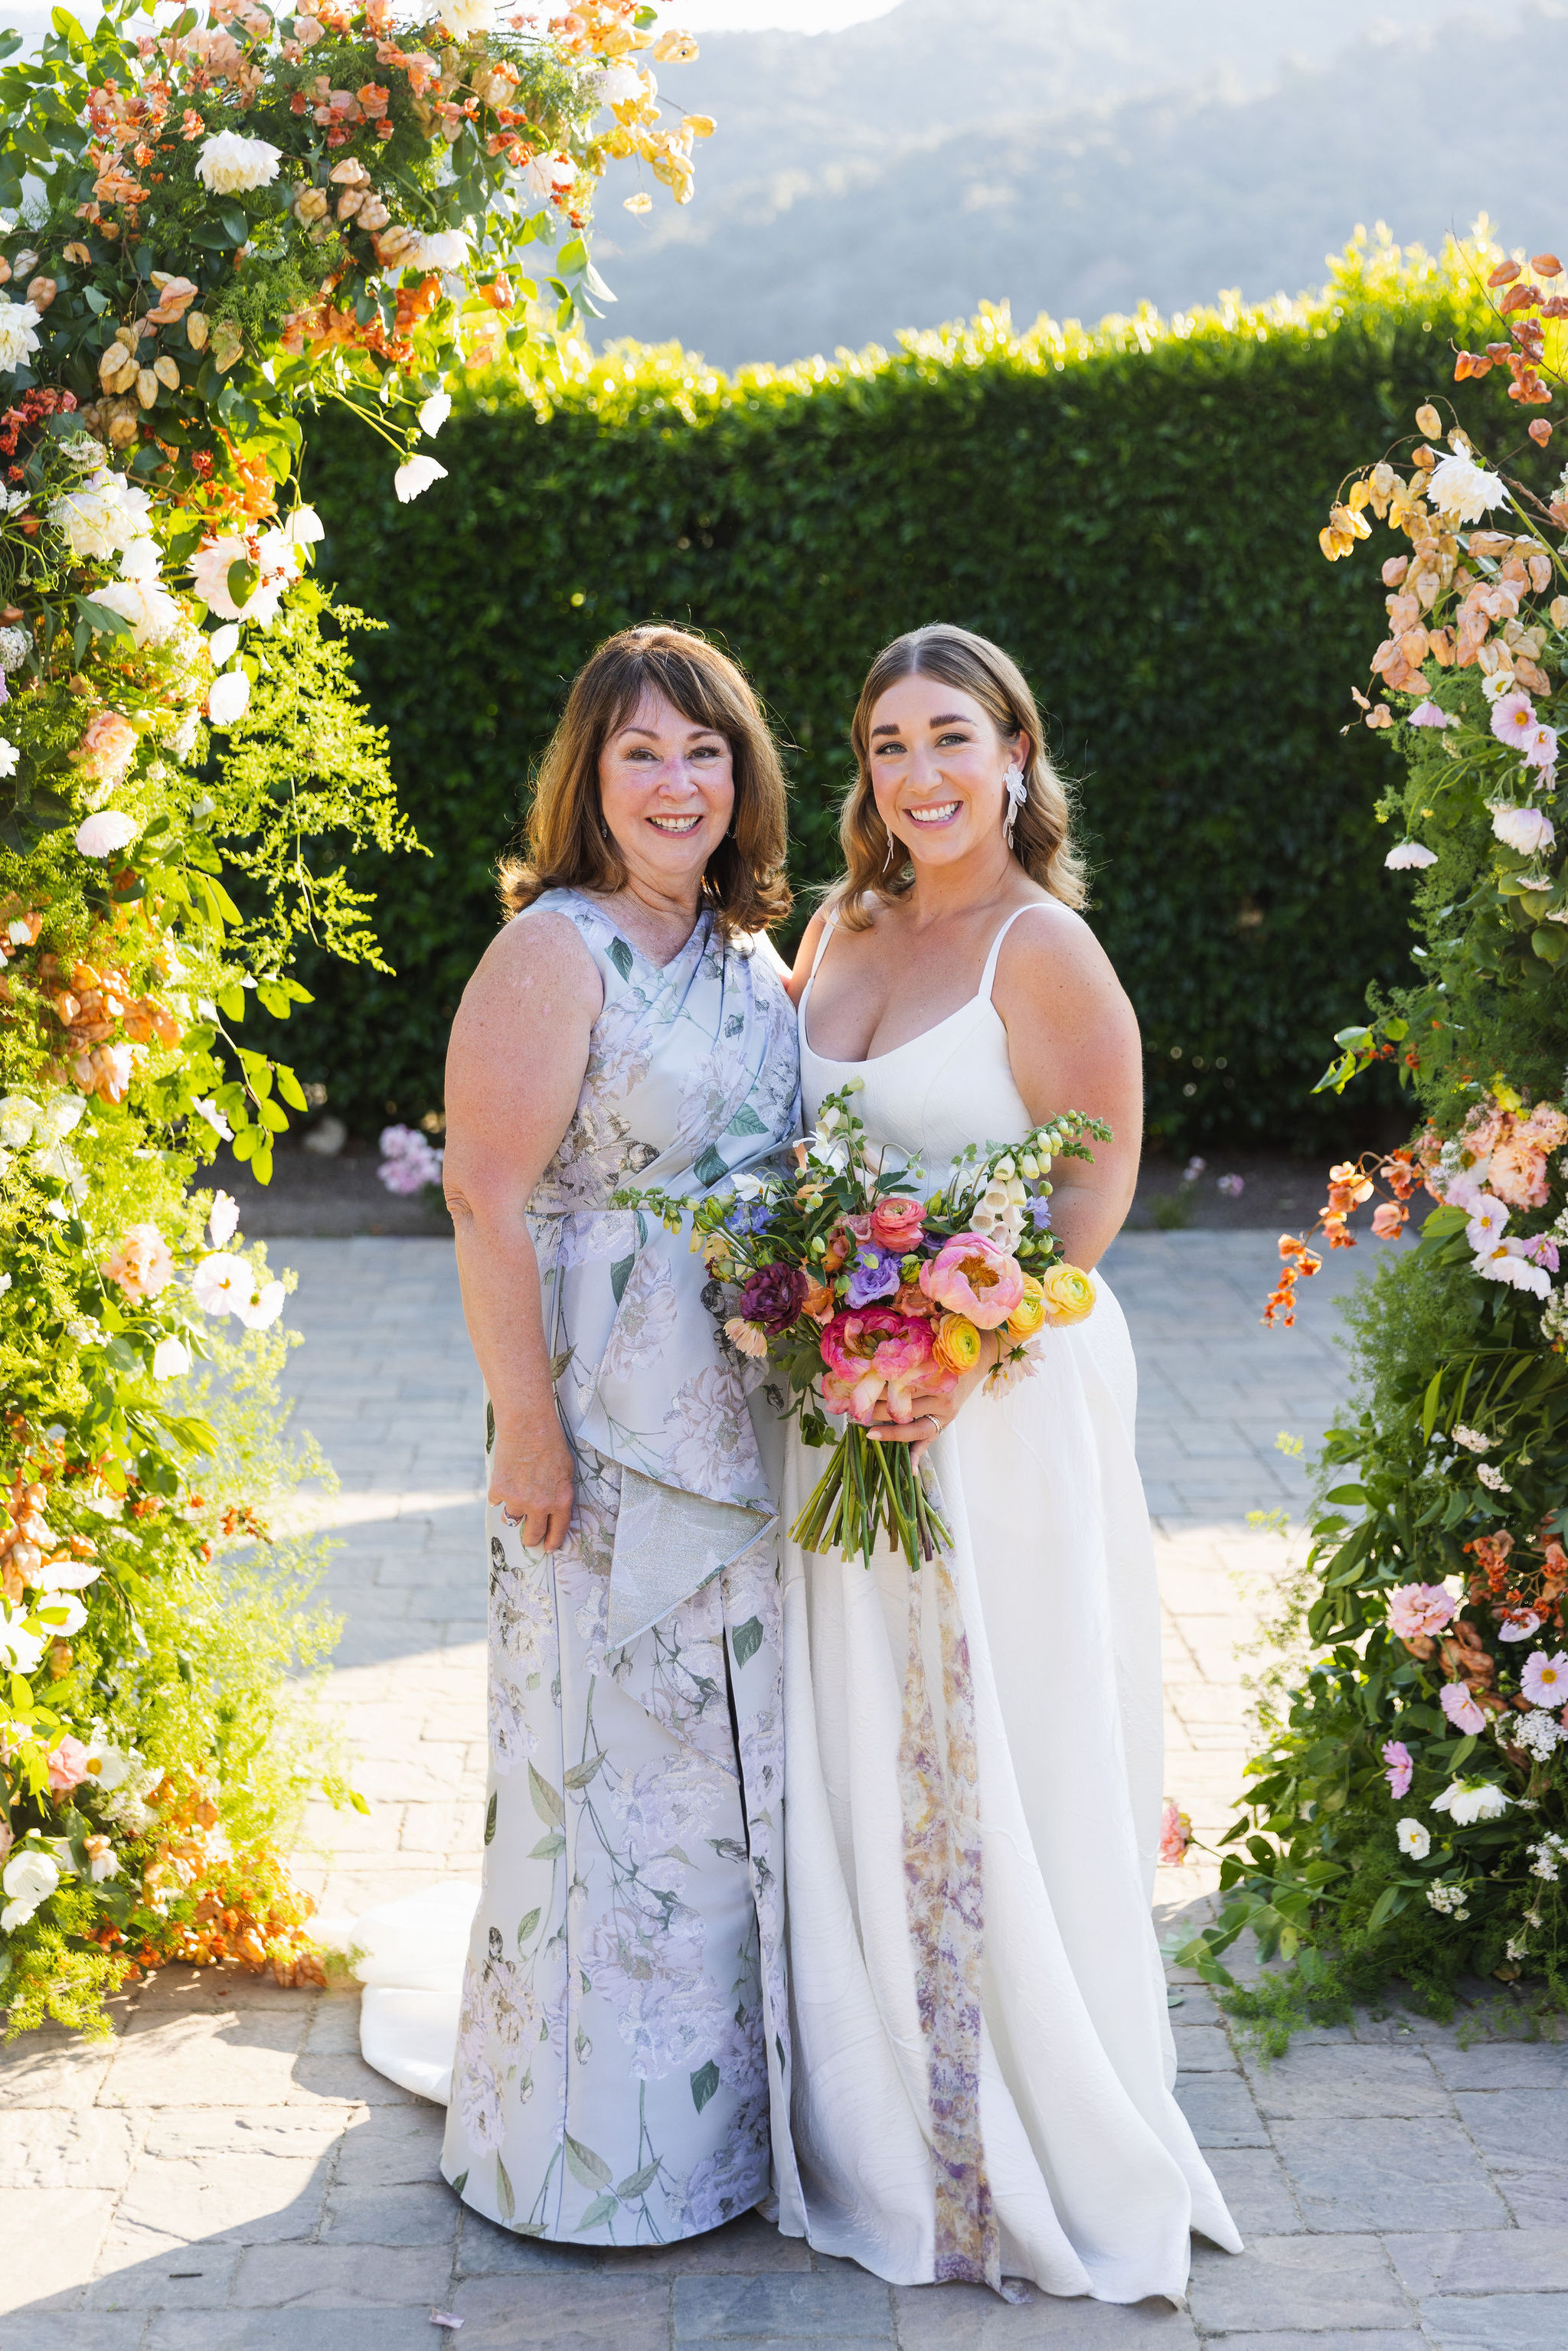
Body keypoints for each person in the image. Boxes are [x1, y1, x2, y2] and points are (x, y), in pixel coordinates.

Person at [766, 622, 1242, 2302]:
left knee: (995, 1734)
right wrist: (827, 1323)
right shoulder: (840, 926)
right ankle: (874, 2113)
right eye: (888, 743)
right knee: (860, 1749)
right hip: (848, 1406)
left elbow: (1092, 1197)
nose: (920, 773)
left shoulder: (1041, 948)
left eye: (951, 736)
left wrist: (957, 1357)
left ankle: (1024, 2132)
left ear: (1016, 754)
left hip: (1007, 1406)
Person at [367, 625, 805, 2247]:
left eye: (704, 752)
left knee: (722, 1792)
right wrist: (528, 1437)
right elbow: (483, 1196)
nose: (677, 783)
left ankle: (719, 2146)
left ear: (742, 772)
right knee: (602, 1781)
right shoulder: (556, 950)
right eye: (641, 755)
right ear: (590, 779)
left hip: (743, 1430)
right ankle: (574, 2158)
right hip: (599, 1437)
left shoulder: (758, 959)